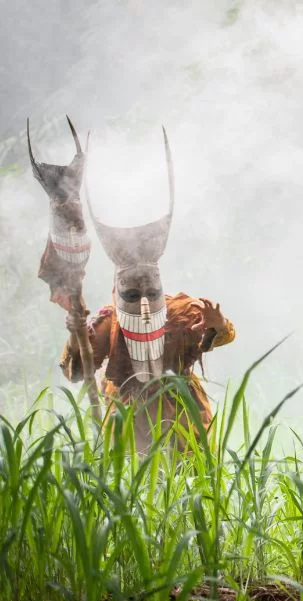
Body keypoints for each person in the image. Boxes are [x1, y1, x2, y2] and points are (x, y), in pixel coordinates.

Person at [60, 129, 235, 448]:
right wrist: (77, 337)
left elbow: (221, 336)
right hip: (127, 429)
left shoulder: (183, 310)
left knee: (186, 487)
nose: (143, 306)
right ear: (117, 292)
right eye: (132, 295)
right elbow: (74, 372)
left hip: (183, 424)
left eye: (150, 293)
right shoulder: (107, 322)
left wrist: (217, 325)